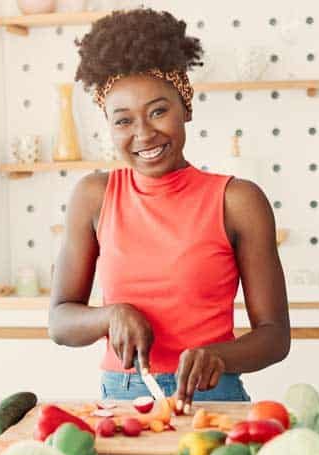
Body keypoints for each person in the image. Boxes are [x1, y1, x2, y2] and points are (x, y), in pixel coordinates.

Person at [49, 8, 291, 414]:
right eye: (123, 121)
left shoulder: (238, 201)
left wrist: (219, 356)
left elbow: (275, 336)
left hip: (213, 402)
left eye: (159, 111)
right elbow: (59, 322)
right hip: (122, 401)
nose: (144, 134)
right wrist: (111, 316)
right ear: (109, 126)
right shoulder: (94, 196)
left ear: (186, 108)